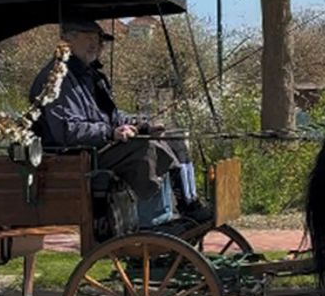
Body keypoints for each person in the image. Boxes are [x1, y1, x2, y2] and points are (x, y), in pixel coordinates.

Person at [29, 19, 212, 223]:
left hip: (98, 149)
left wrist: (142, 125)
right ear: (68, 40)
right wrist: (110, 133)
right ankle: (153, 220)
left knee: (173, 138)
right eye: (89, 37)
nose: (96, 45)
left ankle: (188, 202)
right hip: (75, 158)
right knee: (147, 149)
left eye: (99, 40)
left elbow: (113, 116)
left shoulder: (89, 76)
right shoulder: (57, 78)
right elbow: (67, 130)